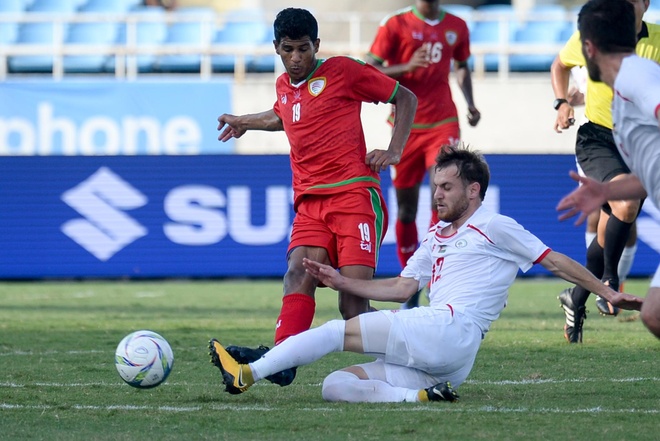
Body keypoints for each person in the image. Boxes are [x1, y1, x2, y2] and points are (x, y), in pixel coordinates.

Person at [208, 145, 643, 403]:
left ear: (473, 190)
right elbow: (401, 288)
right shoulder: (435, 236)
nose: (436, 195)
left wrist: (607, 290)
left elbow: (554, 260)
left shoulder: (493, 224)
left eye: (447, 187)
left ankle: (247, 374)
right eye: (435, 186)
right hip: (449, 360)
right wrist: (343, 282)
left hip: (452, 327)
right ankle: (418, 397)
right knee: (335, 386)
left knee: (333, 333)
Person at [215, 8, 417, 386]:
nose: (296, 58)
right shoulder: (283, 85)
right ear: (276, 47)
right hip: (310, 203)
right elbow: (283, 114)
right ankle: (281, 360)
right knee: (296, 273)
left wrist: (395, 150)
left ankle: (416, 354)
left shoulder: (343, 71)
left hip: (355, 195)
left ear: (317, 46)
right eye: (288, 49)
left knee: (351, 304)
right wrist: (244, 122)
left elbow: (405, 97)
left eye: (304, 49)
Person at [550, 0, 660, 341]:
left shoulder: (639, 81)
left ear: (590, 48)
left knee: (616, 222)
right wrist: (608, 192)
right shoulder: (625, 103)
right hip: (596, 139)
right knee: (654, 316)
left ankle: (598, 285)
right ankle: (598, 287)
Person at [366, 0, 480, 309]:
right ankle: (410, 283)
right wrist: (404, 68)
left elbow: (461, 66)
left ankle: (436, 275)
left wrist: (470, 102)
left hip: (443, 122)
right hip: (405, 126)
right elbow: (368, 69)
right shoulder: (395, 24)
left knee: (442, 194)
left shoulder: (457, 26)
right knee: (405, 209)